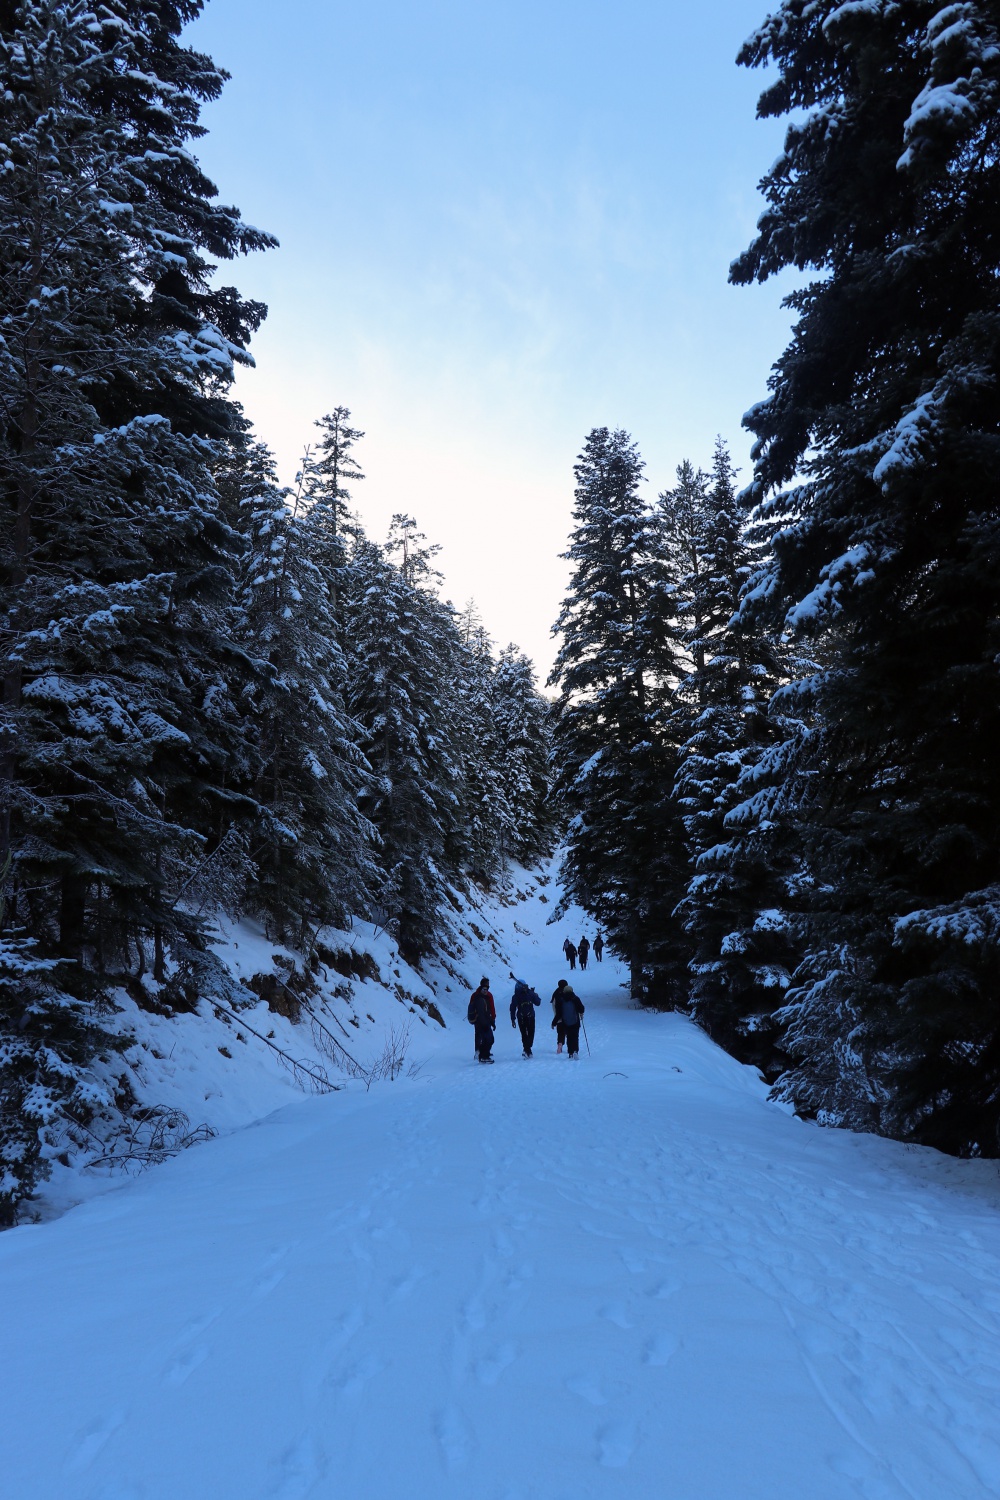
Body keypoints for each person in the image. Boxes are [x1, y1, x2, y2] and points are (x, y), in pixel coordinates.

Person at [508, 973, 541, 1057]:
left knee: (523, 1033)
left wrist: (513, 1019)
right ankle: (527, 1049)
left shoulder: (515, 996)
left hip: (520, 1017)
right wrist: (536, 995)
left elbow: (512, 1008)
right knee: (531, 1033)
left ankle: (527, 1050)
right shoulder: (530, 993)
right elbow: (538, 1003)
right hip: (531, 1016)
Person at [552, 979, 584, 1058]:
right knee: (575, 1036)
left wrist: (554, 1022)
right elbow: (582, 1009)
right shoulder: (576, 998)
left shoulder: (561, 1000)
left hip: (565, 1022)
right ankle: (575, 1051)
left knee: (569, 1036)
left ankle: (570, 1052)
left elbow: (558, 1013)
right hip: (575, 1021)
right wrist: (580, 1013)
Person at [467, 977, 496, 1063]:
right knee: (485, 1037)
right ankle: (482, 1054)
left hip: (480, 1020)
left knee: (482, 1036)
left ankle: (482, 1052)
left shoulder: (476, 994)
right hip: (482, 1021)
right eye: (487, 984)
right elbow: (491, 1008)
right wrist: (492, 1019)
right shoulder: (484, 995)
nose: (487, 986)